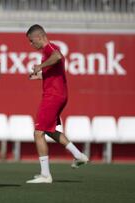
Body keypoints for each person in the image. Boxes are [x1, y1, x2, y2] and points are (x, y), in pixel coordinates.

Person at [25, 24, 89, 183]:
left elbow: (58, 56)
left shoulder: (49, 48)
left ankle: (45, 175)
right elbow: (55, 72)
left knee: (38, 132)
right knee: (49, 130)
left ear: (39, 37)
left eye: (32, 41)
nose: (31, 45)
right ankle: (78, 155)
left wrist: (40, 66)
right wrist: (40, 76)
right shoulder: (48, 50)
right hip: (59, 94)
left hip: (53, 96)